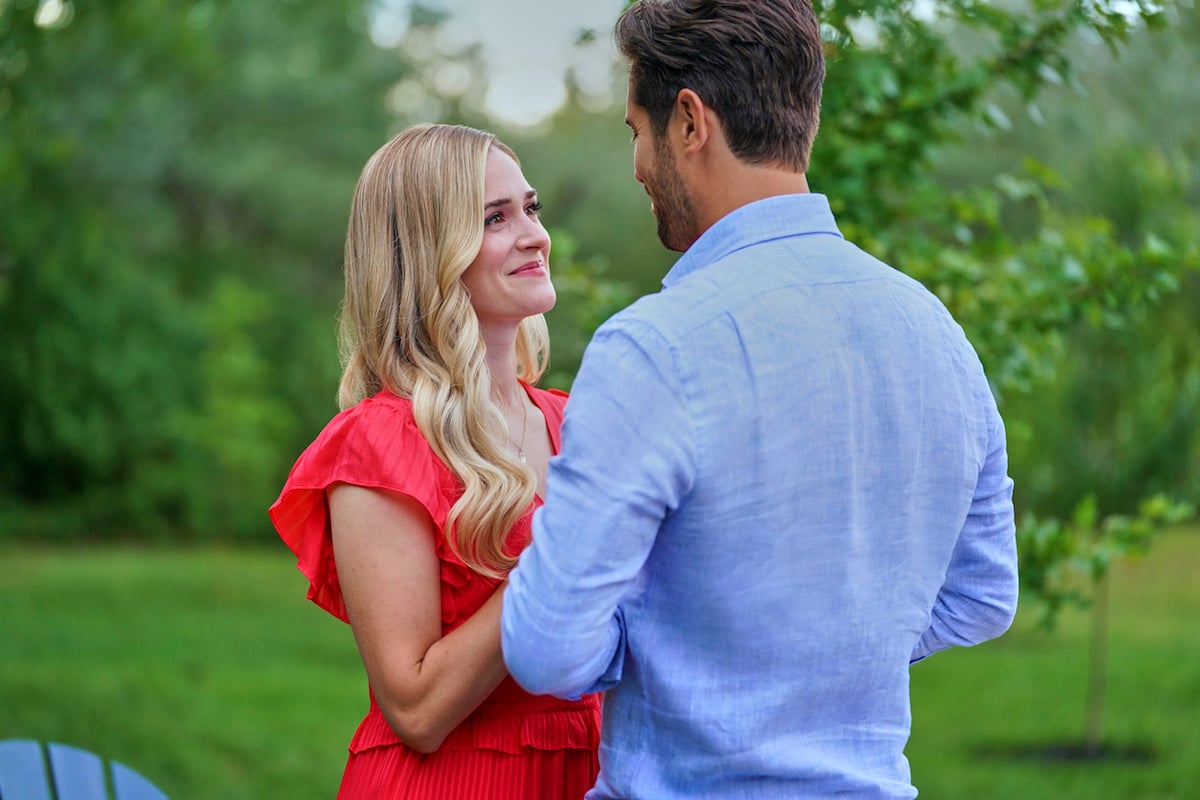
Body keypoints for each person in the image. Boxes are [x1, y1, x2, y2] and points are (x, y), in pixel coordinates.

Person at [500, 2, 1019, 798]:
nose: (637, 163)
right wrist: (837, 650)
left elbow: (544, 648)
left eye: (634, 130)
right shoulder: (937, 333)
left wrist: (679, 653)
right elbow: (985, 596)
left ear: (689, 121)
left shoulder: (653, 348)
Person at [270, 123, 601, 799]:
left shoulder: (580, 423)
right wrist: (557, 562)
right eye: (495, 219)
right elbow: (416, 709)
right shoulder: (380, 443)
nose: (535, 235)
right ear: (426, 253)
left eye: (530, 209)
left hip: (593, 773)